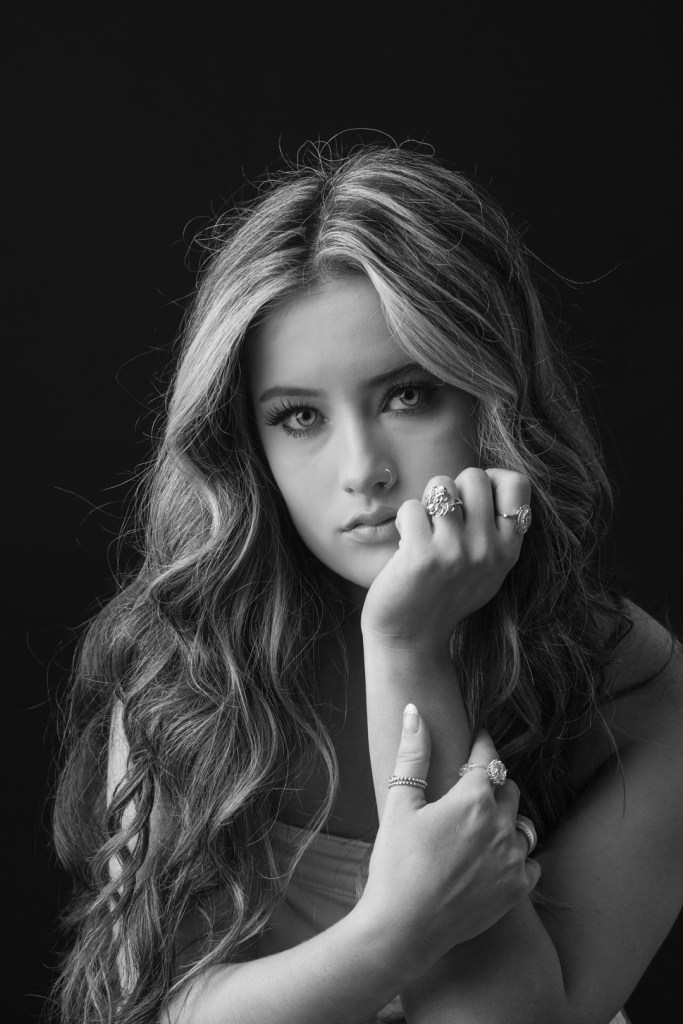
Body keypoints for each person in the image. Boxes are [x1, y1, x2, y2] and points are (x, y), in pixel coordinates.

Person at [52, 142, 683, 1024]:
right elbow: (147, 1010)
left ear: (493, 401)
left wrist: (408, 648)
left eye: (407, 395)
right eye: (299, 417)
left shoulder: (636, 680)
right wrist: (392, 933)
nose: (362, 472)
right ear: (249, 447)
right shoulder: (187, 666)